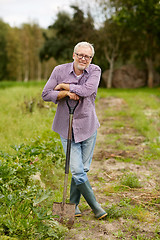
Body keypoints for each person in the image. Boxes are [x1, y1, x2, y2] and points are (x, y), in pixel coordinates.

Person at [42, 41, 107, 220]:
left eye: (87, 56)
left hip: (87, 126)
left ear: (91, 58)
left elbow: (87, 90)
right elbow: (46, 94)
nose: (83, 59)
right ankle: (96, 208)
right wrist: (64, 94)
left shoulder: (95, 70)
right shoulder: (59, 71)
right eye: (80, 55)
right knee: (77, 170)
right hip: (66, 127)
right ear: (73, 55)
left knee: (82, 169)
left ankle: (74, 204)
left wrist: (63, 86)